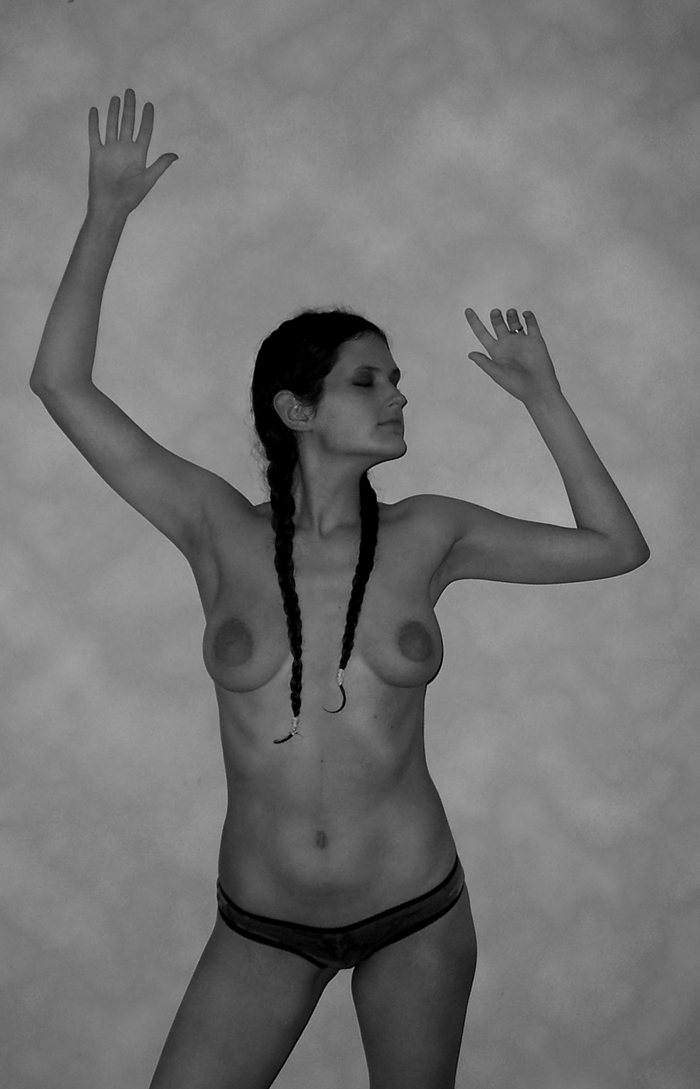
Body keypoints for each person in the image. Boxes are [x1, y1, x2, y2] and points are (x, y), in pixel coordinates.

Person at [30, 90, 650, 1089]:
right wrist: (105, 216)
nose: (399, 393)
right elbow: (60, 384)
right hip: (261, 924)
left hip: (415, 912)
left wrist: (544, 397)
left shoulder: (430, 532)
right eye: (370, 380)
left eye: (396, 378)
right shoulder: (214, 526)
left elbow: (615, 547)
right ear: (297, 408)